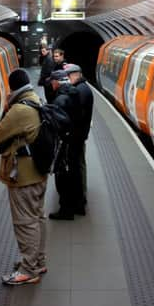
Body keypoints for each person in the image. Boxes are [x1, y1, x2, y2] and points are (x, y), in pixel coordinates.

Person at [0, 69, 48, 285]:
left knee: (25, 222)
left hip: (23, 175)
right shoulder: (35, 99)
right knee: (37, 218)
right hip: (38, 172)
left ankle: (28, 270)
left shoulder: (19, 110)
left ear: (12, 88)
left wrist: (7, 110)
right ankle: (37, 261)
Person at [48, 69, 82, 220]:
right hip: (73, 140)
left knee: (62, 177)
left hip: (64, 144)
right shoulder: (74, 93)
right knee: (72, 174)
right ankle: (74, 205)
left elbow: (58, 125)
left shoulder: (60, 100)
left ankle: (65, 210)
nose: (51, 84)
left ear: (56, 82)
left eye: (52, 82)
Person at [65, 64, 94, 212]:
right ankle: (80, 195)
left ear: (75, 75)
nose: (68, 80)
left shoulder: (80, 91)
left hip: (77, 134)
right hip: (81, 134)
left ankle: (80, 198)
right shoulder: (84, 88)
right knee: (80, 163)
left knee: (77, 165)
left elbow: (77, 114)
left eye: (68, 77)